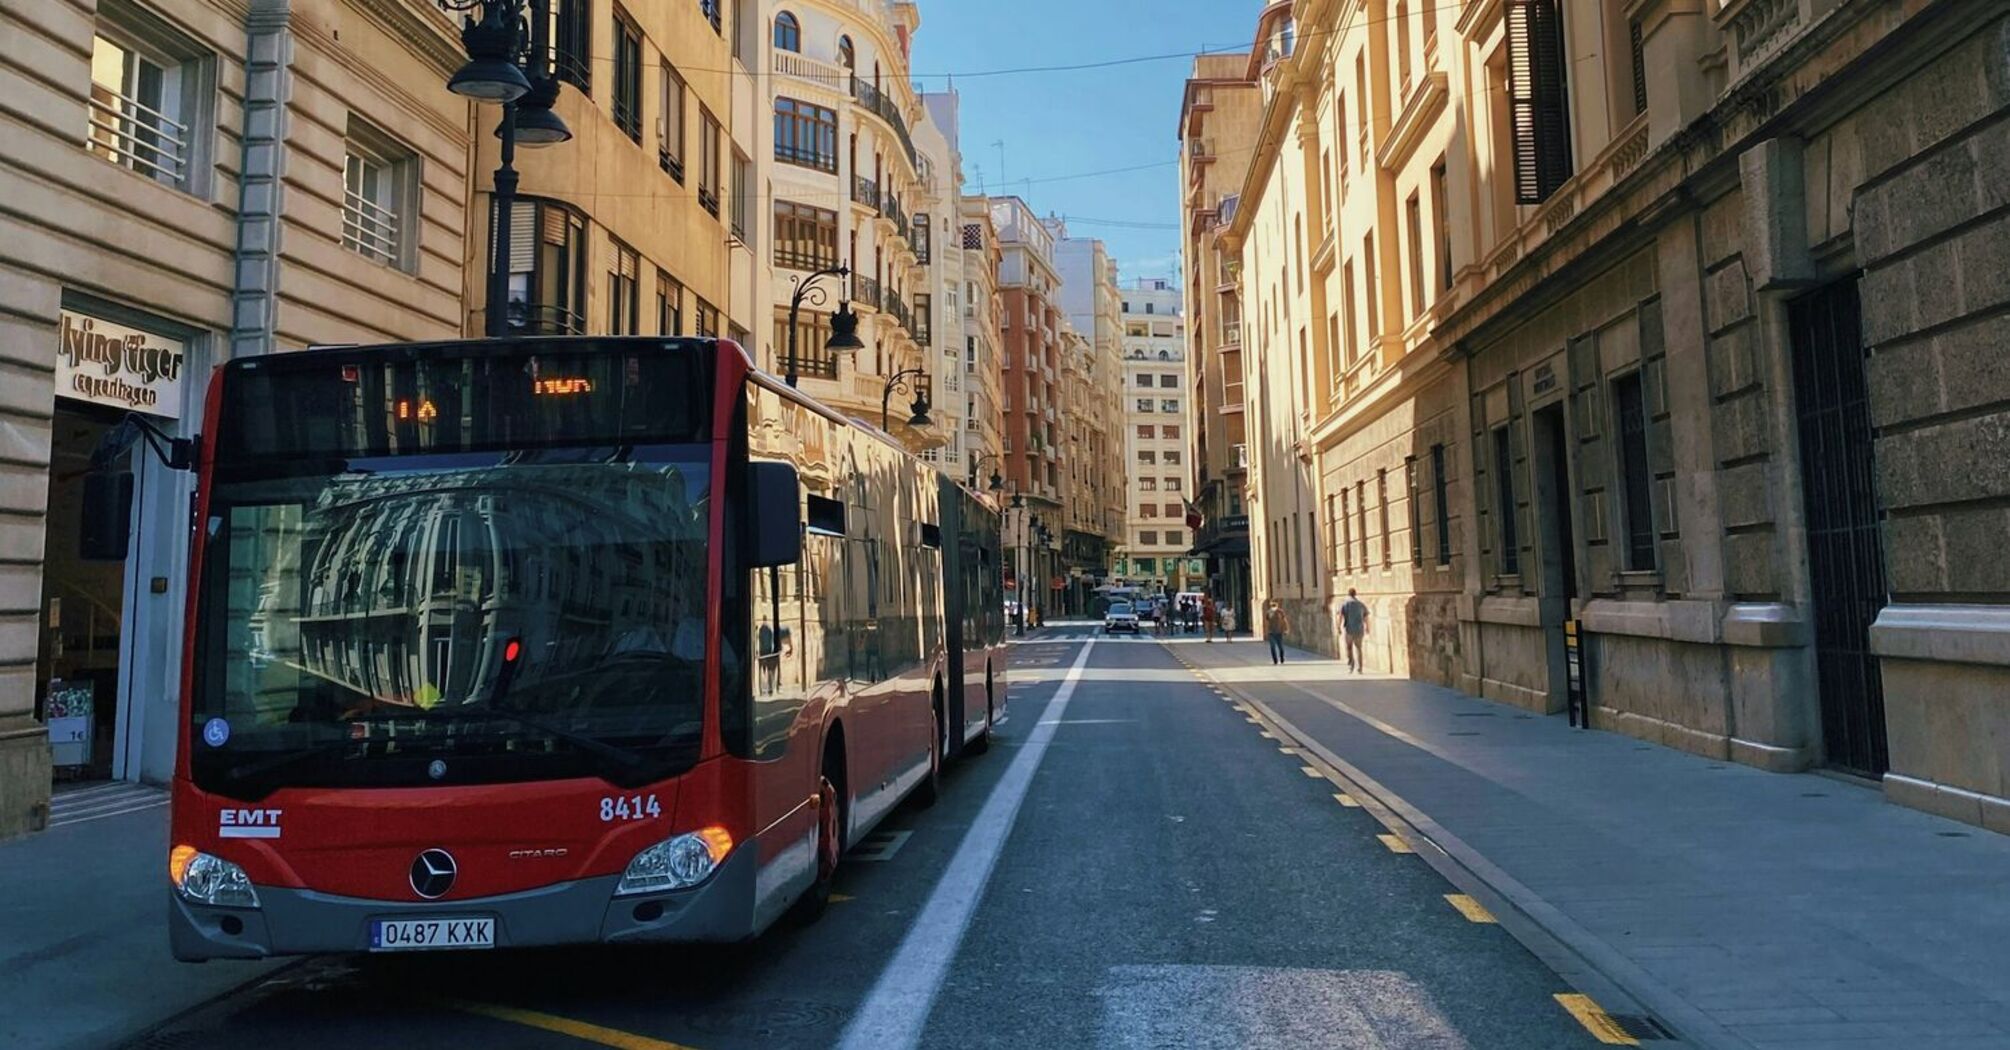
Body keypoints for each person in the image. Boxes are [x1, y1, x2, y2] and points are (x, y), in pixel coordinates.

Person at [1339, 588, 1371, 673]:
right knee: (1359, 648)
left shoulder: (1345, 604)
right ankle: (1360, 667)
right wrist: (1367, 627)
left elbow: (1341, 616)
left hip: (1349, 629)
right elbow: (1366, 617)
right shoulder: (1361, 604)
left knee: (1349, 647)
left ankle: (1351, 663)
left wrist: (1338, 626)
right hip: (1359, 629)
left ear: (1348, 594)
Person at [1264, 599, 1290, 665]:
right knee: (1272, 647)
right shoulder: (1268, 612)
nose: (1273, 606)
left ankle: (1282, 658)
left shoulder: (1280, 612)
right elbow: (1266, 622)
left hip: (1279, 632)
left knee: (1281, 648)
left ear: (1277, 605)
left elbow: (1285, 621)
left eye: (1274, 605)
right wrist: (1266, 631)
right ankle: (1275, 660)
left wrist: (1286, 629)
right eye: (1272, 605)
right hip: (1271, 633)